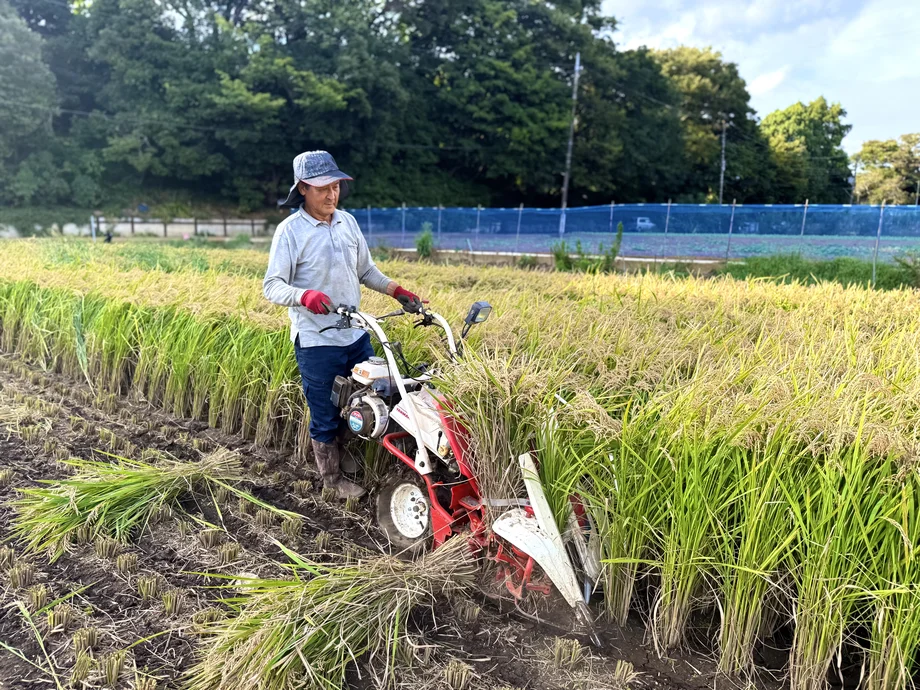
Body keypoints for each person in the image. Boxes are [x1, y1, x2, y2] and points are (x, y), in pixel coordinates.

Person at [263, 150, 422, 499]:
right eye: (322, 188)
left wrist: (397, 290)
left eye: (335, 186)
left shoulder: (347, 222)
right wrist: (304, 296)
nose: (331, 195)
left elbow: (366, 271)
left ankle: (349, 454)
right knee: (325, 412)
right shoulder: (289, 232)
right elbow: (272, 285)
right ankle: (332, 480)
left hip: (356, 335)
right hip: (317, 341)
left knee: (370, 398)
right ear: (303, 188)